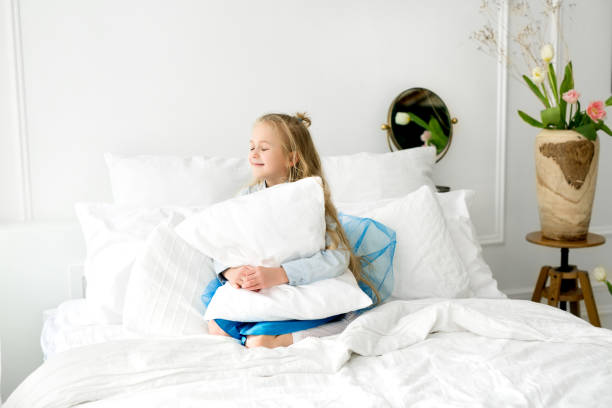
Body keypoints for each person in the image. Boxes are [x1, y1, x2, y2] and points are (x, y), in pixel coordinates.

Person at [206, 112, 380, 348]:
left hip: (300, 284)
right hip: (258, 287)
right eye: (251, 147)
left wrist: (280, 274)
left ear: (291, 158)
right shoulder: (245, 199)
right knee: (216, 328)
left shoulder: (311, 203)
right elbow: (222, 246)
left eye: (264, 148)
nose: (253, 154)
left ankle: (319, 330)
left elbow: (338, 257)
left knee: (260, 343)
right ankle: (259, 333)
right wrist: (231, 271)